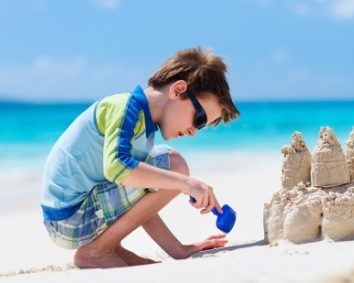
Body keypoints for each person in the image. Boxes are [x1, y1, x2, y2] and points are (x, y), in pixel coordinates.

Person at [40, 47, 240, 268]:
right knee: (175, 165)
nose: (194, 131)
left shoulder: (144, 129)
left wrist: (178, 250)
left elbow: (141, 200)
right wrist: (185, 183)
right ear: (178, 90)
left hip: (78, 215)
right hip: (69, 219)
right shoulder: (125, 109)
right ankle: (97, 251)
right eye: (200, 119)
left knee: (167, 167)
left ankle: (110, 246)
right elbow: (116, 168)